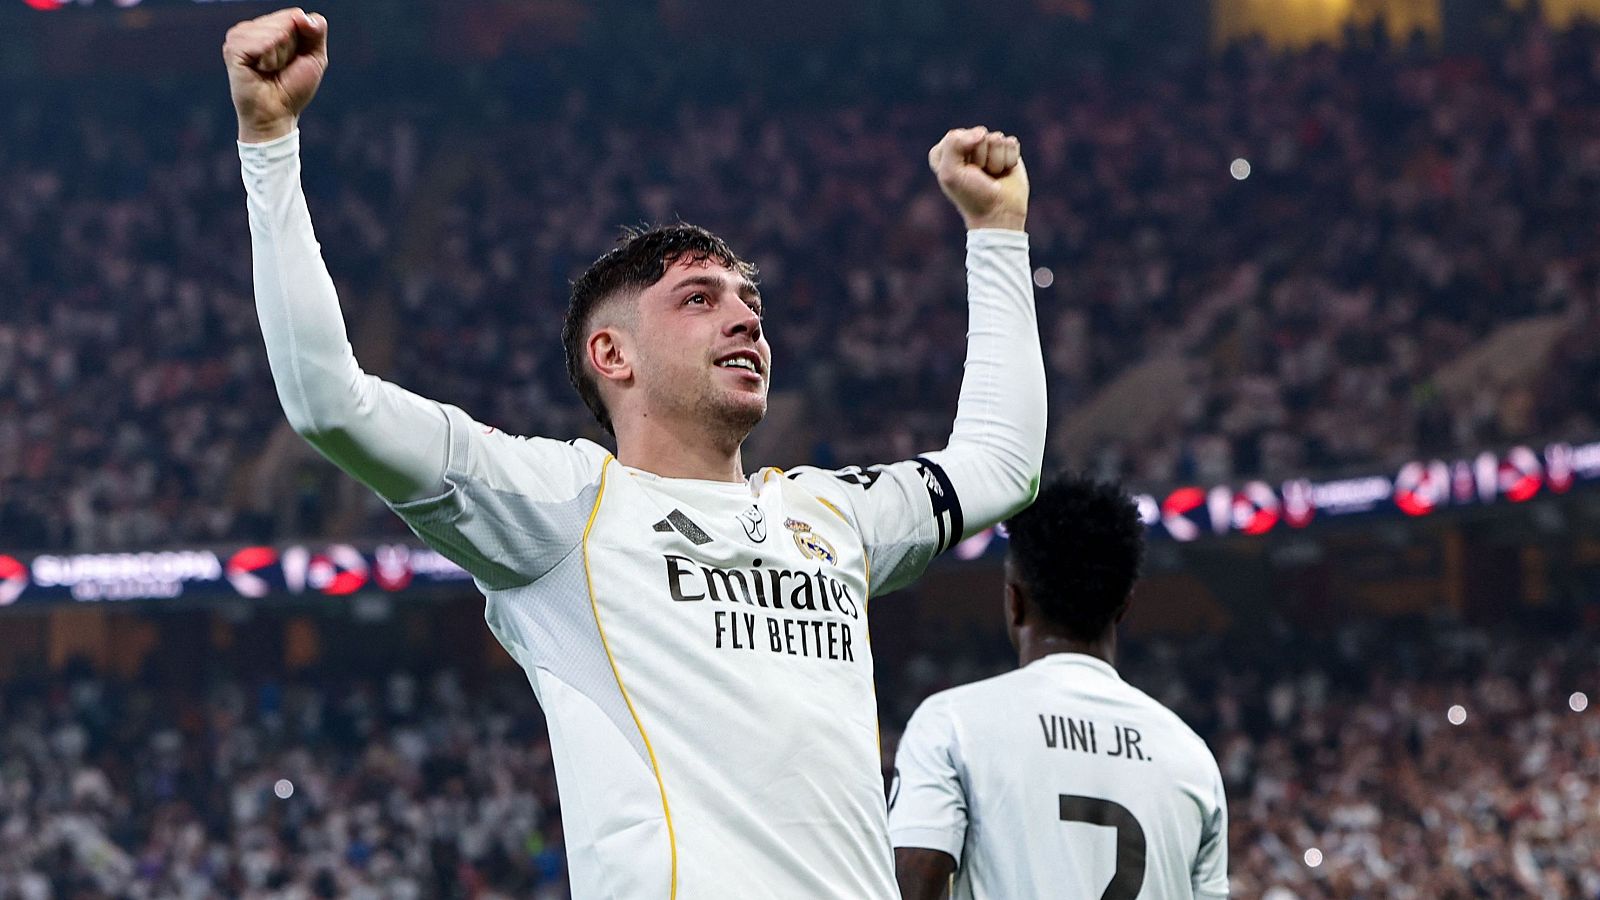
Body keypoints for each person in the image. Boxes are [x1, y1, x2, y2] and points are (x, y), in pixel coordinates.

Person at [223, 8, 1045, 898]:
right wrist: (270, 141)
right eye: (699, 298)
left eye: (748, 300)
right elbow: (327, 401)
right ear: (611, 355)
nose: (745, 318)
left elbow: (1001, 464)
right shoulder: (561, 509)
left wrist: (997, 233)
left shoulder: (832, 515)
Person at [890, 474, 1228, 899]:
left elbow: (911, 885)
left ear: (1014, 601)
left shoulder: (952, 724)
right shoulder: (1193, 758)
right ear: (1123, 607)